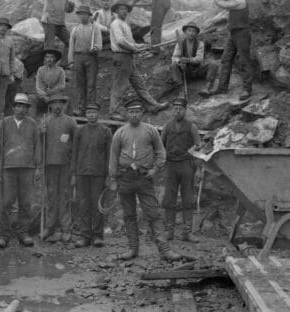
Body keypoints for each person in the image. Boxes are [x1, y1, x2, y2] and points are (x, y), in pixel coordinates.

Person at [108, 99, 181, 261]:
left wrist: (155, 169)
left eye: (137, 111)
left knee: (153, 213)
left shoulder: (151, 131)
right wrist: (113, 178)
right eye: (131, 112)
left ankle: (164, 250)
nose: (134, 114)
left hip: (144, 178)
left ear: (142, 113)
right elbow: (113, 157)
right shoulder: (119, 133)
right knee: (129, 215)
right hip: (125, 178)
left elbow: (161, 152)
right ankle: (133, 249)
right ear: (127, 114)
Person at [108, 0, 169, 121]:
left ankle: (152, 106)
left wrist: (143, 46)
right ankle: (114, 111)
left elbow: (131, 43)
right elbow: (120, 41)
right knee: (119, 85)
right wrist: (134, 49)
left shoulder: (125, 25)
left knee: (139, 83)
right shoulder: (116, 24)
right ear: (116, 11)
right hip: (121, 57)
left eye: (125, 9)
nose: (124, 11)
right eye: (121, 9)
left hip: (128, 58)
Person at [0, 93, 41, 248]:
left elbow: (37, 146)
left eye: (24, 107)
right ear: (13, 107)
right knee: (7, 201)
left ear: (27, 109)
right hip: (8, 168)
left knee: (25, 202)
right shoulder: (4, 123)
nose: (21, 109)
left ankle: (23, 233)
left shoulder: (32, 124)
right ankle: (4, 234)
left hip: (27, 168)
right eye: (18, 106)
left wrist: (37, 167)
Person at [200, 0, 253, 101]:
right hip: (232, 34)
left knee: (244, 61)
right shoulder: (234, 1)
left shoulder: (241, 1)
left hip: (242, 33)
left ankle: (247, 89)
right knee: (225, 60)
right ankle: (222, 87)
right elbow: (226, 3)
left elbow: (224, 4)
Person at [70, 103, 112, 248]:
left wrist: (108, 175)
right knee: (83, 205)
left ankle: (98, 236)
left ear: (98, 114)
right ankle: (85, 236)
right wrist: (73, 174)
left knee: (98, 205)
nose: (91, 115)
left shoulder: (106, 131)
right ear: (86, 114)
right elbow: (74, 153)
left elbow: (109, 156)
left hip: (98, 174)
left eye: (94, 112)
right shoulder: (80, 131)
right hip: (82, 173)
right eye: (89, 112)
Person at [161, 97, 201, 243]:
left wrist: (197, 169)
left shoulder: (192, 127)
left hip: (186, 165)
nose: (178, 111)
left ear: (185, 110)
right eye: (175, 109)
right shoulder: (167, 126)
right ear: (173, 110)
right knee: (169, 198)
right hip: (171, 166)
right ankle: (169, 231)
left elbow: (198, 144)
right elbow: (161, 145)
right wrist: (162, 160)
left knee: (188, 198)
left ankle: (187, 232)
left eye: (181, 109)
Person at [40, 95, 78, 243]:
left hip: (65, 165)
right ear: (50, 106)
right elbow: (39, 143)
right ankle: (49, 227)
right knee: (50, 195)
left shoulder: (70, 122)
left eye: (60, 103)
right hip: (49, 164)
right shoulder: (45, 121)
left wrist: (73, 168)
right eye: (54, 103)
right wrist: (40, 132)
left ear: (63, 105)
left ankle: (66, 228)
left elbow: (76, 144)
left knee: (65, 195)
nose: (57, 106)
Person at [68, 5, 102, 117]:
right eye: (80, 14)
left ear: (89, 16)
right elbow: (71, 46)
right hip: (78, 57)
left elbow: (99, 44)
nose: (82, 16)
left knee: (91, 84)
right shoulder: (75, 29)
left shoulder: (94, 28)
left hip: (91, 57)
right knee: (80, 84)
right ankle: (81, 108)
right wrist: (71, 61)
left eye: (85, 14)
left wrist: (95, 48)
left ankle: (91, 108)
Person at [169, 22, 218, 96]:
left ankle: (207, 87)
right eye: (189, 31)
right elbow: (174, 57)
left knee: (213, 64)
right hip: (186, 70)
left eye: (194, 31)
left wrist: (188, 60)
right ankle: (181, 90)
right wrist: (180, 62)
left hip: (198, 69)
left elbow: (199, 59)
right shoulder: (180, 43)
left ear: (196, 33)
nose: (191, 33)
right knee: (173, 65)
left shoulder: (200, 44)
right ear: (185, 32)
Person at [41, 0, 75, 65]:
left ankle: (63, 64)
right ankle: (47, 68)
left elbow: (67, 10)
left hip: (60, 22)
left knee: (70, 42)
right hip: (50, 21)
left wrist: (71, 7)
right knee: (49, 47)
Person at [34, 49, 66, 115]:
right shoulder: (41, 69)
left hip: (56, 95)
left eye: (51, 57)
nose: (49, 59)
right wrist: (44, 95)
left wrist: (53, 91)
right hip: (43, 95)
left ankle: (59, 118)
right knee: (35, 99)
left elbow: (62, 85)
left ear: (55, 58)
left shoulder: (60, 70)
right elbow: (38, 86)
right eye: (47, 57)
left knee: (60, 102)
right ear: (44, 58)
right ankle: (39, 118)